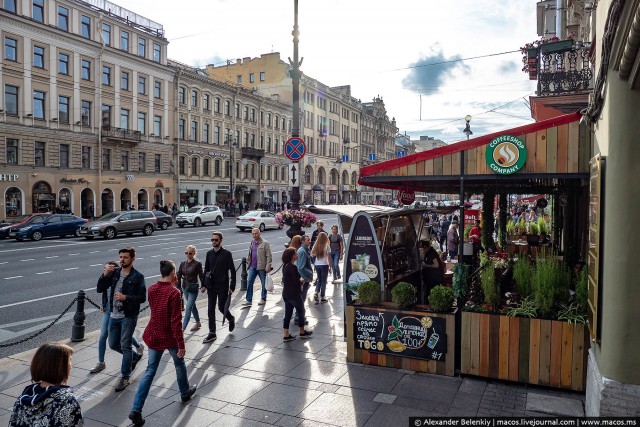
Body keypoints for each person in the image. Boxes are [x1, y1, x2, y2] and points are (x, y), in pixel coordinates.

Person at [128, 260, 197, 426]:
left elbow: (156, 311)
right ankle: (184, 392)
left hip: (154, 334)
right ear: (173, 272)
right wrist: (181, 344)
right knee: (179, 362)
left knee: (150, 370)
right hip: (169, 336)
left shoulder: (152, 289)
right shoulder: (174, 293)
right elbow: (175, 321)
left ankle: (136, 409)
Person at [97, 247, 146, 392]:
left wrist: (126, 298)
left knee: (125, 345)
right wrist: (104, 274)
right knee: (112, 344)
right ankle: (134, 355)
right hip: (114, 315)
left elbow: (142, 298)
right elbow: (100, 288)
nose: (122, 259)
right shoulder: (115, 273)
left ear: (132, 259)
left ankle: (125, 377)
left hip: (128, 316)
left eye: (125, 257)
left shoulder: (137, 276)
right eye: (121, 257)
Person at [9, 343, 83, 427]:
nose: (71, 365)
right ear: (61, 367)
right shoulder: (67, 402)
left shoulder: (23, 398)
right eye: (69, 360)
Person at [90, 261, 144, 375]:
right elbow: (101, 290)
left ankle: (137, 348)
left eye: (110, 270)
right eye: (106, 269)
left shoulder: (119, 279)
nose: (108, 271)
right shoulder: (106, 278)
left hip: (120, 312)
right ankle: (101, 362)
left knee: (123, 337)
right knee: (104, 335)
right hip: (108, 311)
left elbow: (140, 296)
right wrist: (103, 305)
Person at [202, 231, 236, 344]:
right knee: (210, 309)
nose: (214, 242)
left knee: (222, 307)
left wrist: (232, 286)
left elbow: (232, 270)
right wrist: (203, 284)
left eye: (216, 240)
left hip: (222, 286)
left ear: (221, 240)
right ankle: (212, 333)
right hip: (211, 286)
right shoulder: (209, 254)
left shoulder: (227, 254)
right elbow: (206, 269)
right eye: (212, 240)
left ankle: (230, 318)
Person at [281, 248, 313, 342]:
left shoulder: (285, 266)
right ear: (292, 256)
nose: (297, 254)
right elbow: (296, 283)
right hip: (294, 294)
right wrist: (301, 281)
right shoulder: (293, 268)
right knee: (301, 311)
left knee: (288, 313)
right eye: (295, 253)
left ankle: (286, 334)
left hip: (286, 293)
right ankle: (302, 332)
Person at [241, 228, 273, 306]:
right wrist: (249, 259)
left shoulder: (265, 243)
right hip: (252, 266)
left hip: (262, 267)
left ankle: (263, 298)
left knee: (263, 283)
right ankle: (249, 300)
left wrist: (268, 266)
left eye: (256, 233)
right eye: (253, 234)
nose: (254, 235)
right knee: (249, 282)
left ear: (259, 233)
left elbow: (269, 255)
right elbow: (251, 253)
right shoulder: (252, 242)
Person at [177, 245, 204, 332]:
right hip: (185, 287)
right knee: (192, 306)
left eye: (190, 253)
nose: (188, 255)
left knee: (188, 307)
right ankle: (198, 322)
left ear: (194, 253)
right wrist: (179, 289)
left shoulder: (197, 263)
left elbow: (201, 276)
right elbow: (178, 275)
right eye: (186, 253)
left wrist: (203, 286)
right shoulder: (182, 264)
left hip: (193, 288)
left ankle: (183, 329)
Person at [311, 231, 332, 303]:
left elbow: (312, 254)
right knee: (324, 281)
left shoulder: (316, 245)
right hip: (324, 264)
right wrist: (330, 267)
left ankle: (316, 292)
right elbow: (329, 258)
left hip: (317, 264)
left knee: (319, 279)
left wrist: (317, 253)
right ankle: (323, 296)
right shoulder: (327, 246)